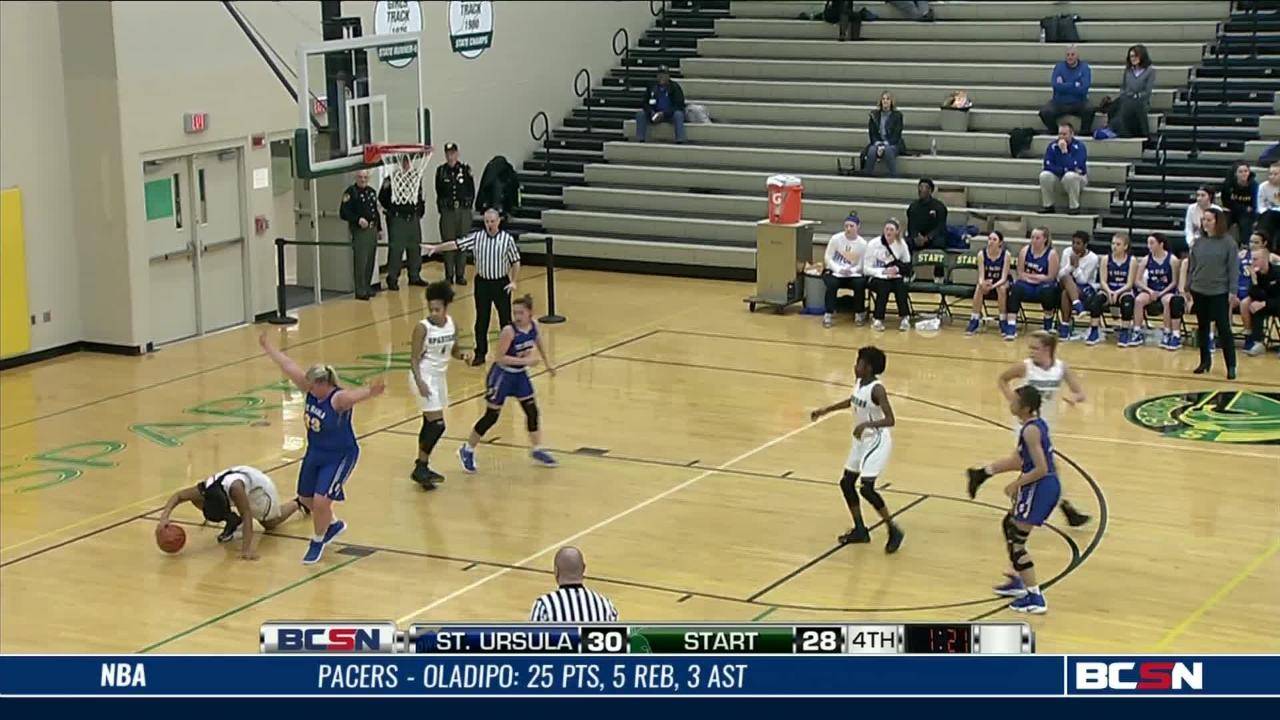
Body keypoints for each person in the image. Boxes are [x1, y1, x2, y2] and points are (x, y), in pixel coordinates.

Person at [259, 333, 385, 564]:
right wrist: (269, 348)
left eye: (313, 385)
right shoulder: (310, 389)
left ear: (325, 384)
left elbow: (354, 396)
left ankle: (317, 540)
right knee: (305, 499)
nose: (308, 388)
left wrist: (370, 392)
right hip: (315, 452)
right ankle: (333, 525)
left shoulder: (338, 399)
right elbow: (288, 366)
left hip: (340, 455)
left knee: (321, 502)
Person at [965, 385, 1063, 614]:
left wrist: (1015, 485)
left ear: (1026, 407)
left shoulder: (1030, 431)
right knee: (1009, 526)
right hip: (1042, 485)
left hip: (1040, 485)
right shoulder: (1034, 426)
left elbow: (1041, 467)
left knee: (1017, 542)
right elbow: (1022, 460)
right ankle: (1018, 582)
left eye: (1015, 401)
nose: (1011, 403)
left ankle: (1035, 596)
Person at [809, 346, 906, 553]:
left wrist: (866, 425)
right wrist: (826, 410)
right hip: (861, 440)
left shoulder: (877, 389)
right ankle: (860, 530)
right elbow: (853, 401)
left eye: (859, 363)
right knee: (846, 483)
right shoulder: (860, 382)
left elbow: (890, 420)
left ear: (869, 368)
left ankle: (893, 529)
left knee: (867, 488)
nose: (855, 366)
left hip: (877, 441)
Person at [994, 330, 1089, 527]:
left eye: (1035, 348)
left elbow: (1080, 392)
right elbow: (1002, 379)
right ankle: (1063, 509)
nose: (1031, 352)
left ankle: (983, 474)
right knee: (1043, 468)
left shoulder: (1061, 368)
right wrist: (1013, 399)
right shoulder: (1025, 367)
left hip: (1047, 425)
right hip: (1026, 426)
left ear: (1047, 349)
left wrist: (1074, 398)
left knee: (1028, 465)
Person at [459, 294, 558, 473]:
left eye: (521, 313)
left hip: (519, 376)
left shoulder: (534, 325)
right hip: (502, 375)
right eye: (515, 313)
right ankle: (467, 448)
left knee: (532, 411)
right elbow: (500, 357)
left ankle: (537, 449)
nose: (517, 316)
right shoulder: (509, 331)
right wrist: (526, 362)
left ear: (530, 313)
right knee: (492, 416)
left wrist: (548, 363)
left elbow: (540, 343)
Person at [425, 209, 521, 367]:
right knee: (481, 320)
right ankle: (480, 353)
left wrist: (514, 281)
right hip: (482, 283)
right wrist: (437, 248)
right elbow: (456, 244)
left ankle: (509, 352)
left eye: (492, 221)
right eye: (486, 221)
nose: (489, 224)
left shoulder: (507, 239)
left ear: (498, 221)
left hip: (501, 283)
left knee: (505, 319)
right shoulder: (477, 237)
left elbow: (516, 261)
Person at [156, 466, 305, 560]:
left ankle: (298, 503)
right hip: (236, 480)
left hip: (259, 489)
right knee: (196, 500)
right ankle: (232, 521)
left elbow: (247, 516)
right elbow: (179, 496)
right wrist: (164, 518)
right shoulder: (205, 489)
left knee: (270, 524)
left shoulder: (236, 490)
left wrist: (246, 549)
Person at [408, 281, 474, 490]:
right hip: (424, 376)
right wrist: (419, 382)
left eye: (438, 309)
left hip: (439, 377)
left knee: (429, 423)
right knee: (438, 424)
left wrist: (463, 355)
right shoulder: (422, 328)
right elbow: (414, 359)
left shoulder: (451, 324)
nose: (434, 313)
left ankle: (422, 467)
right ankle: (421, 466)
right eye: (431, 309)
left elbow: (453, 350)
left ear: (446, 307)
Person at [1187, 207, 1240, 378]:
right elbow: (1192, 266)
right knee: (1203, 327)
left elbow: (1233, 268)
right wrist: (1188, 286)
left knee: (1224, 329)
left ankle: (1230, 365)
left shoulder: (1228, 243)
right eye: (1204, 220)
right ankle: (1205, 361)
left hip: (1219, 291)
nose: (1205, 223)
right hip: (1199, 289)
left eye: (1209, 220)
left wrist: (1233, 290)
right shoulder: (1198, 242)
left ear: (1218, 221)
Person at [529, 547, 619, 622]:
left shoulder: (544, 605)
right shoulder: (605, 605)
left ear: (556, 571)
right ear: (583, 569)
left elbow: (532, 641)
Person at [379, 156, 427, 291]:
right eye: (404, 162)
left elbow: (420, 197)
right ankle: (392, 278)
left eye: (408, 162)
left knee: (415, 248)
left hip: (413, 218)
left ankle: (415, 276)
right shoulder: (391, 179)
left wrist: (420, 211)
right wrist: (392, 210)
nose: (406, 164)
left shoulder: (416, 178)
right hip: (398, 219)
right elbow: (382, 198)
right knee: (396, 250)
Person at [1130, 232, 1185, 350]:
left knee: (1167, 301)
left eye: (1152, 243)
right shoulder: (1146, 259)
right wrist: (1149, 291)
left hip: (1167, 290)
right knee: (1139, 300)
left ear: (1161, 244)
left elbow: (1174, 282)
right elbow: (1137, 281)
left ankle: (1167, 332)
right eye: (1148, 243)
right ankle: (1137, 331)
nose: (1149, 246)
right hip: (1151, 290)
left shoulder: (1172, 259)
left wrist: (1162, 292)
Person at [1004, 226, 1061, 340]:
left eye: (1037, 238)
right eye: (1032, 237)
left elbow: (1051, 276)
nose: (1034, 240)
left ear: (1045, 239)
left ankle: (1048, 324)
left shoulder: (1051, 254)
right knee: (1016, 288)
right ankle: (1011, 325)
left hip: (1043, 285)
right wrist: (1036, 277)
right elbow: (1020, 272)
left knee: (1048, 290)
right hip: (1028, 284)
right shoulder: (1025, 250)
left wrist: (1033, 277)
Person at [1084, 232, 1137, 346]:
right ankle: (1094, 331)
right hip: (1108, 289)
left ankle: (1124, 332)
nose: (1114, 246)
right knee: (1096, 301)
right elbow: (1103, 281)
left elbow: (1130, 283)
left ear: (1125, 246)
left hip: (1124, 290)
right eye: (1113, 243)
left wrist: (1117, 292)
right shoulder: (1105, 259)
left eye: (1118, 244)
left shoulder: (1131, 261)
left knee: (1127, 302)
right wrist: (1109, 292)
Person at [434, 142, 476, 286]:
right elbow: (439, 191)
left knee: (462, 243)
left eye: (452, 153)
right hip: (448, 212)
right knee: (448, 243)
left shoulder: (465, 170)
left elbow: (471, 190)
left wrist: (467, 207)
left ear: (457, 154)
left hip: (463, 211)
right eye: (448, 153)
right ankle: (449, 275)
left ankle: (460, 274)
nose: (450, 156)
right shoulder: (441, 171)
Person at [338, 169, 382, 300]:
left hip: (372, 230)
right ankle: (360, 290)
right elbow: (343, 212)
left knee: (370, 260)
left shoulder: (371, 192)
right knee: (361, 261)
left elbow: (375, 211)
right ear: (356, 178)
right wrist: (357, 219)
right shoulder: (351, 193)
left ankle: (367, 287)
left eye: (365, 177)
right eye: (360, 177)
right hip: (360, 231)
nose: (363, 180)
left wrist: (379, 229)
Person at [863, 219, 913, 332]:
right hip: (876, 277)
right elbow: (866, 269)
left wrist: (896, 269)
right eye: (886, 229)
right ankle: (878, 319)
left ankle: (905, 317)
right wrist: (883, 272)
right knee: (883, 287)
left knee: (900, 286)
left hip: (894, 277)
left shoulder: (901, 244)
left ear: (896, 232)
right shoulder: (873, 244)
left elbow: (908, 265)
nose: (888, 232)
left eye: (891, 230)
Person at [822, 212, 869, 328]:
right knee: (832, 284)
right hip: (837, 272)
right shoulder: (836, 239)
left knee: (860, 284)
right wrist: (838, 269)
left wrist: (852, 270)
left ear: (858, 227)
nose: (848, 229)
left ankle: (859, 313)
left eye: (851, 226)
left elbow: (862, 264)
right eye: (846, 226)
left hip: (853, 274)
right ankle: (828, 313)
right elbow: (828, 257)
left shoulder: (863, 244)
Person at [1038, 45, 1094, 136]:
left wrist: (1064, 85)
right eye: (1068, 55)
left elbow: (1084, 89)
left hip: (1079, 102)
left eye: (1072, 54)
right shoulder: (1059, 67)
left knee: (1089, 109)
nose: (1070, 57)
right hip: (1059, 102)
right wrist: (1074, 84)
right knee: (1044, 112)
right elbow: (1055, 86)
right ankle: (1055, 132)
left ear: (1077, 56)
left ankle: (1084, 133)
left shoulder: (1085, 68)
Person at [1057, 230, 1101, 340]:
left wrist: (1076, 267)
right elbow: (1060, 274)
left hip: (1085, 288)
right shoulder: (1067, 252)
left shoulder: (1093, 258)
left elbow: (1083, 280)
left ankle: (1065, 327)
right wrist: (1070, 267)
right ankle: (1078, 306)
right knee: (1066, 278)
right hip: (1066, 282)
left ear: (1085, 245)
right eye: (1073, 243)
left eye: (1078, 243)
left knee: (1065, 293)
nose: (1074, 246)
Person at [1106, 44, 1156, 139]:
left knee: (1128, 106)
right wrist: (1125, 94)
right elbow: (1123, 88)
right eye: (1131, 56)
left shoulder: (1150, 71)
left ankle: (1118, 130)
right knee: (1113, 106)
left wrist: (1135, 96)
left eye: (1135, 56)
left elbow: (1147, 92)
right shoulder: (1128, 70)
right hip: (1126, 99)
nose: (1133, 59)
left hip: (1140, 102)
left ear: (1142, 56)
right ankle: (1116, 128)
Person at [967, 230, 1011, 336]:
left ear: (1000, 243)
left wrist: (993, 286)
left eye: (994, 239)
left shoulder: (1006, 255)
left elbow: (1004, 278)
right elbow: (981, 276)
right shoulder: (981, 254)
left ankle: (1003, 321)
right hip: (988, 281)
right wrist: (983, 284)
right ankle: (974, 319)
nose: (991, 242)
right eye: (989, 239)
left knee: (1001, 289)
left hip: (1001, 282)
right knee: (979, 288)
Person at [1242, 231, 1278, 356]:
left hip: (1277, 302)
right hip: (1268, 303)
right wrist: (1254, 281)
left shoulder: (1277, 272)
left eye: (1256, 259)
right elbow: (1255, 295)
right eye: (1252, 259)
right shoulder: (1256, 274)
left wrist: (1264, 303)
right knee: (1255, 306)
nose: (1253, 262)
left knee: (1259, 305)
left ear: (1265, 259)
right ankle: (1257, 342)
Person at [1039, 123, 1088, 214]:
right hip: (1059, 177)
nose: (1061, 137)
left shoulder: (1080, 147)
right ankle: (1048, 205)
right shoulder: (1052, 146)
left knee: (1070, 176)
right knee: (1044, 175)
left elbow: (1078, 167)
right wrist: (1064, 170)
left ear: (1072, 134)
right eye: (1060, 134)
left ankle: (1074, 207)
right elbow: (1047, 165)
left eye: (1064, 134)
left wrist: (1065, 152)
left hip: (1078, 179)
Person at [634, 66, 686, 143]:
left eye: (664, 75)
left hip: (669, 115)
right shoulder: (652, 86)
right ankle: (640, 139)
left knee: (678, 115)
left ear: (668, 76)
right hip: (654, 114)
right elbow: (645, 103)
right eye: (660, 75)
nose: (661, 77)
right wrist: (651, 112)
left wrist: (664, 113)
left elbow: (679, 105)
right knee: (640, 114)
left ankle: (680, 140)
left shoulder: (675, 87)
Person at [864, 92, 905, 178]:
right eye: (883, 99)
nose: (885, 101)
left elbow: (896, 135)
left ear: (891, 102)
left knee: (888, 150)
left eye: (888, 99)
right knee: (871, 150)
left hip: (893, 143)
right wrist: (878, 144)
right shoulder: (874, 115)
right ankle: (866, 176)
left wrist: (885, 145)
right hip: (878, 143)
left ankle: (894, 176)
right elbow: (872, 134)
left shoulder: (897, 116)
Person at [1221, 161, 1258, 245]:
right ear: (1235, 174)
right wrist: (1243, 208)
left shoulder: (1254, 185)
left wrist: (1249, 211)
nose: (1244, 174)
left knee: (1245, 223)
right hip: (1232, 210)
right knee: (1222, 222)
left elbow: (1255, 204)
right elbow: (1226, 202)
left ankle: (1245, 246)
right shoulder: (1228, 184)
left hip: (1247, 213)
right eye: (1240, 172)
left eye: (1246, 171)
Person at [906, 178, 948, 251]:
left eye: (925, 187)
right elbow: (911, 226)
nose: (922, 190)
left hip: (933, 238)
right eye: (920, 187)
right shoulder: (913, 206)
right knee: (906, 242)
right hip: (918, 237)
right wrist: (916, 236)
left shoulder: (939, 206)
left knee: (939, 242)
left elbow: (940, 227)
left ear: (931, 190)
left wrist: (927, 238)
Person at [1184, 185, 1218, 251]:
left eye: (1203, 195)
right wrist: (1190, 241)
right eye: (1198, 195)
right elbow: (1188, 228)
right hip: (1196, 242)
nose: (1199, 198)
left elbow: (1219, 230)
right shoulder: (1191, 208)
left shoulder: (1217, 209)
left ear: (1210, 196)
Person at [1259, 163, 1280, 250]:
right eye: (1270, 174)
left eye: (1275, 174)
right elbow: (1260, 206)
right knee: (1267, 218)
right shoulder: (1263, 186)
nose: (1272, 176)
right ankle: (1263, 248)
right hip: (1268, 215)